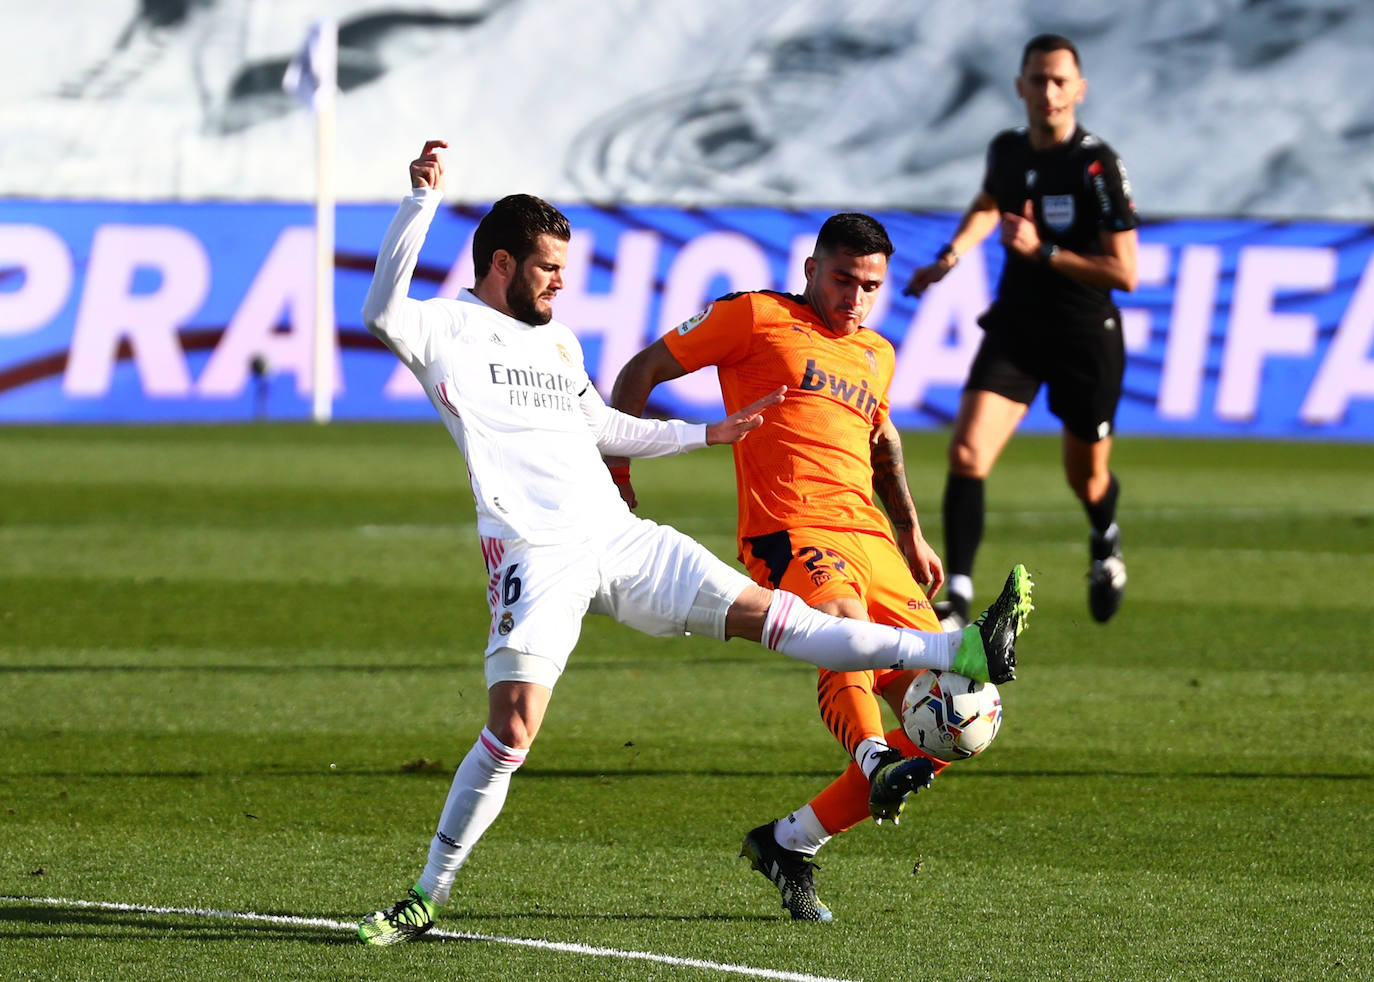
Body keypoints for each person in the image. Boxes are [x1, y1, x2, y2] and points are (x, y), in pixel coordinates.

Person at [353, 140, 1034, 945]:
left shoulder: (559, 341)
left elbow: (602, 423)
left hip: (619, 536)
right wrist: (420, 202)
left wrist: (706, 434)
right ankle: (427, 894)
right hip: (533, 553)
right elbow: (379, 310)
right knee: (512, 732)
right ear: (501, 264)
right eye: (548, 269)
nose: (563, 283)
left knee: (779, 619)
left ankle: (956, 648)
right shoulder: (442, 329)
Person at [608, 212, 1033, 921]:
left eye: (871, 285)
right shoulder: (754, 316)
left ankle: (790, 841)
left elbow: (882, 444)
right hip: (791, 527)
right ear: (811, 269)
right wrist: (616, 472)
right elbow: (641, 369)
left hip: (873, 538)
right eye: (843, 279)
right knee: (842, 626)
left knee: (962, 717)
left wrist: (913, 534)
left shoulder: (877, 353)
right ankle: (872, 759)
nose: (856, 297)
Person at [905, 32, 1139, 627]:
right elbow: (990, 202)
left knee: (1085, 477)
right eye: (1038, 80)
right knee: (965, 450)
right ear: (1020, 87)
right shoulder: (1008, 150)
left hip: (1085, 335)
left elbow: (1125, 272)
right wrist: (951, 256)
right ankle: (956, 596)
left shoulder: (1097, 165)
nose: (1049, 91)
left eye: (1060, 80)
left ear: (1079, 89)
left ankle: (1104, 539)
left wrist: (1044, 251)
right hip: (1017, 328)